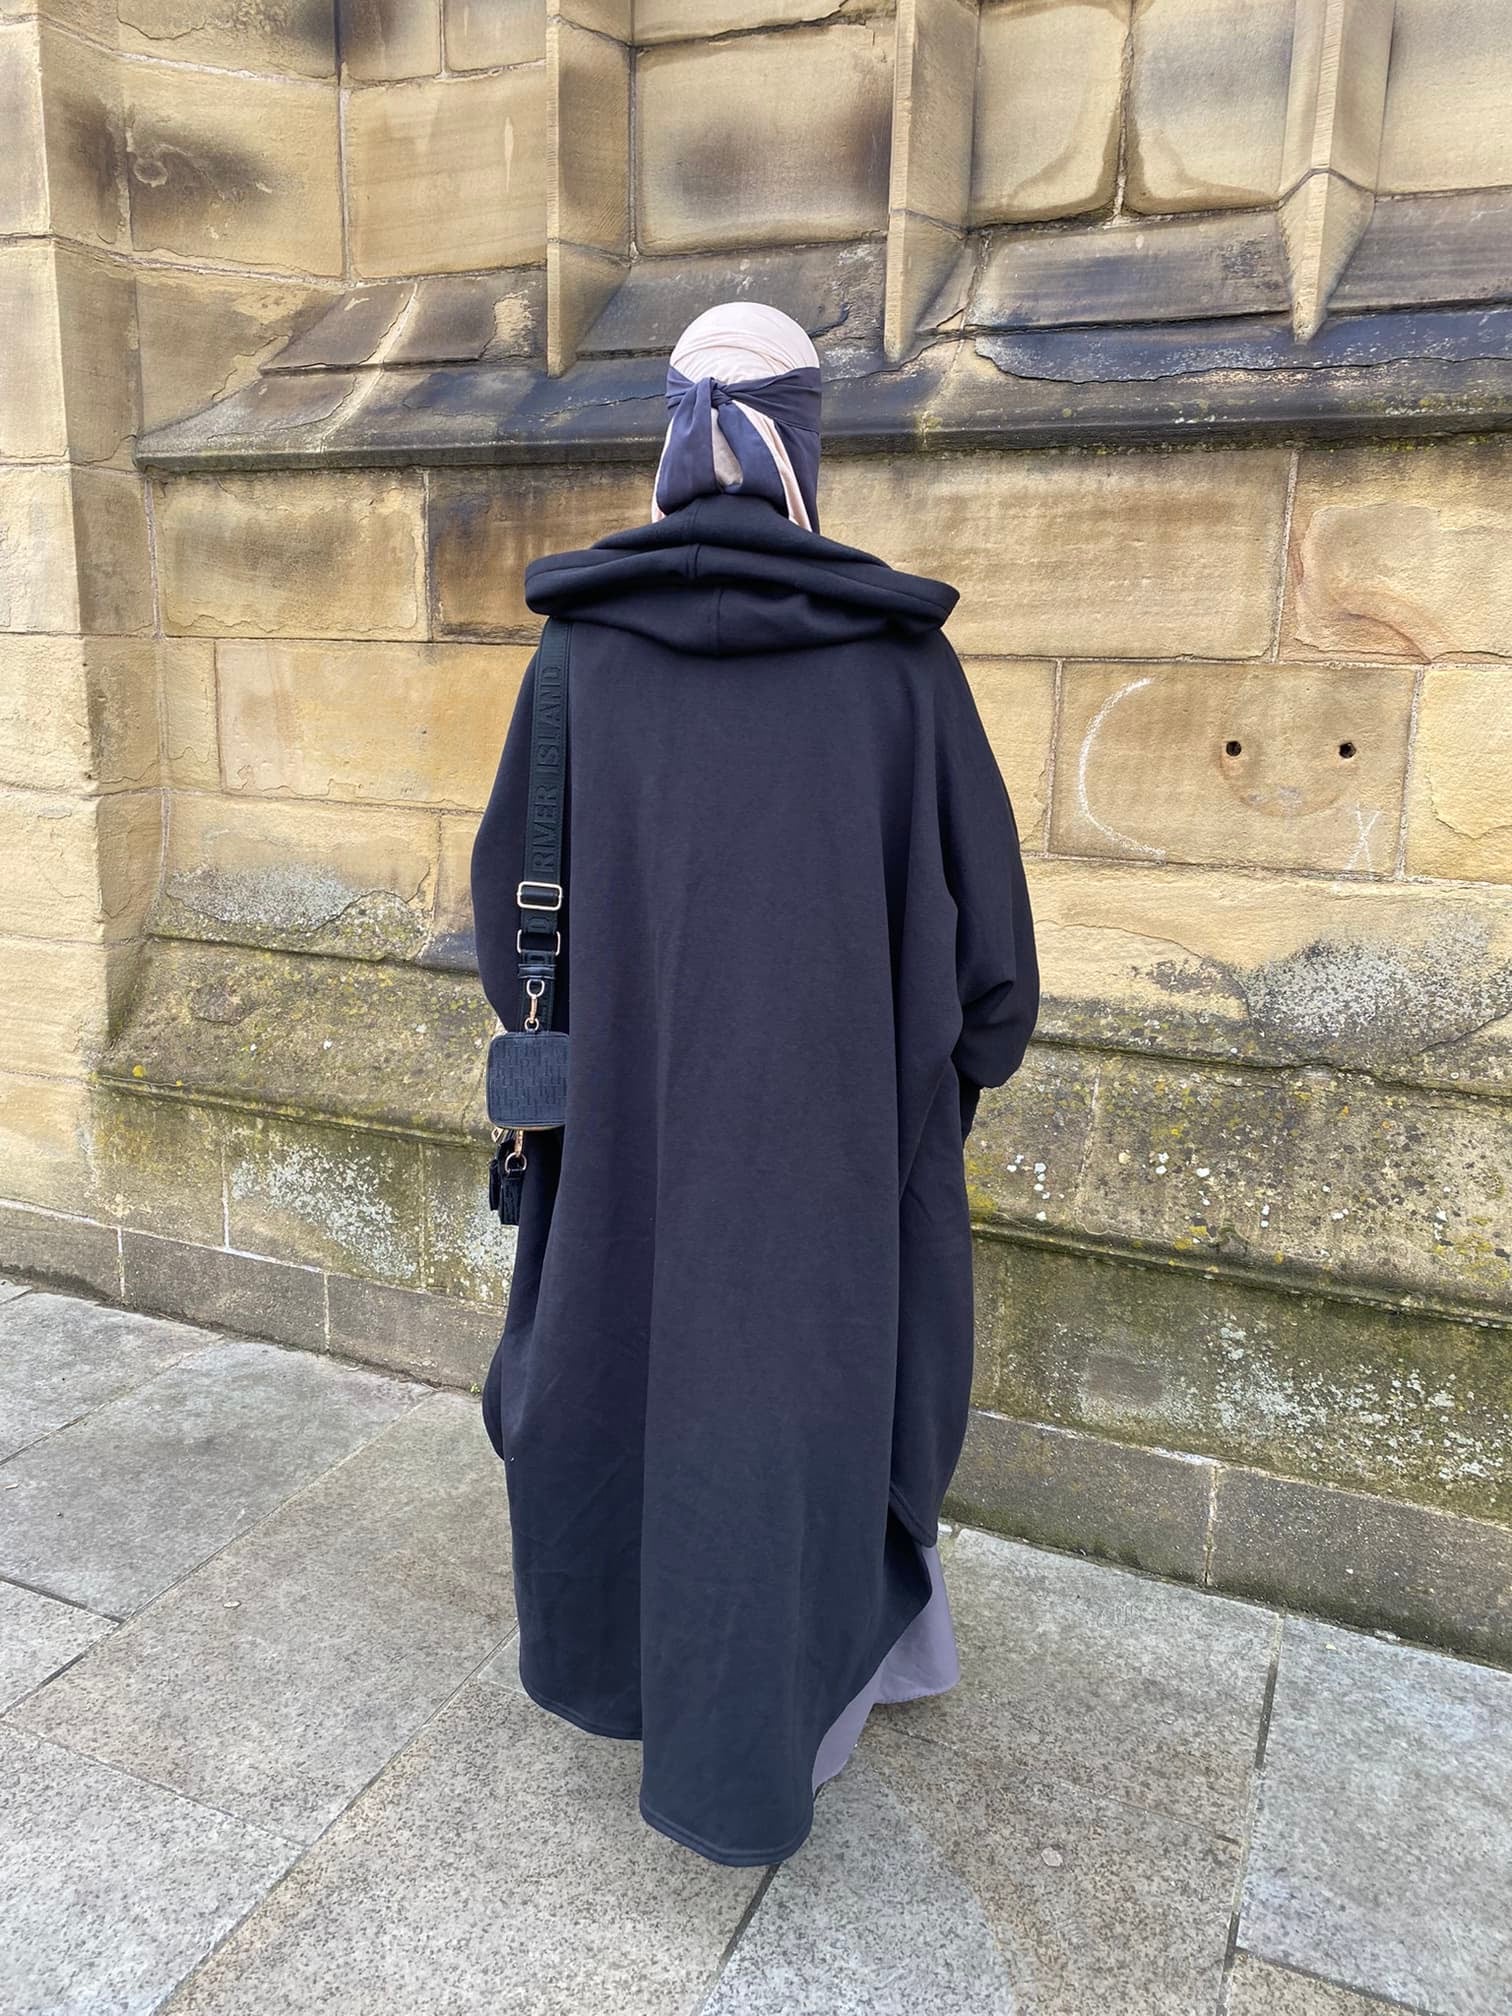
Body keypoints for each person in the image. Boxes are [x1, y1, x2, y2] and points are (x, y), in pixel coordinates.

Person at [470, 302, 1038, 1867]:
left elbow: (512, 920)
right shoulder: (902, 669)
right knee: (811, 1411)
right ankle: (808, 1708)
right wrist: (931, 1087)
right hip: (842, 1151)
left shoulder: (577, 655)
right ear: (808, 441)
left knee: (628, 1393)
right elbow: (994, 965)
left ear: (669, 434)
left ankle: (647, 1685)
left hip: (624, 1151)